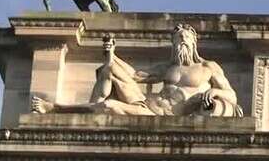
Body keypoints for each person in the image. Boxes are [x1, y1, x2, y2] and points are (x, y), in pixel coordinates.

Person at [32, 25, 242, 117]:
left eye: (185, 37)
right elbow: (135, 75)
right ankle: (87, 120)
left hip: (177, 115)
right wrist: (111, 54)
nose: (181, 41)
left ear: (194, 42)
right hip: (150, 110)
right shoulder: (168, 68)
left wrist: (214, 92)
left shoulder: (208, 67)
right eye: (177, 38)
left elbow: (231, 94)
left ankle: (57, 109)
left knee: (109, 105)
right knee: (110, 68)